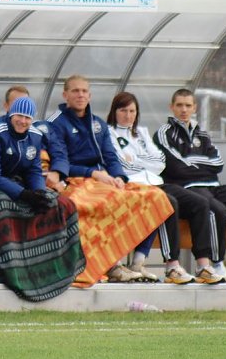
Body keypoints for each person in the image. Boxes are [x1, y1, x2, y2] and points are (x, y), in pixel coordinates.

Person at [0, 95, 84, 300]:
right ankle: (1, 269)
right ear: (11, 114)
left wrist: (38, 192)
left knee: (61, 203)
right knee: (1, 205)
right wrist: (24, 194)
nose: (23, 121)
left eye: (28, 117)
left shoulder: (35, 135)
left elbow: (33, 170)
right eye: (19, 115)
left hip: (11, 181)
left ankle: (50, 270)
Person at [46, 75, 173, 286]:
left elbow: (111, 156)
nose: (80, 95)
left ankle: (138, 263)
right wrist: (94, 173)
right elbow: (60, 162)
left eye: (84, 91)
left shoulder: (97, 123)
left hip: (104, 180)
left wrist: (120, 177)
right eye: (75, 91)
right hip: (77, 180)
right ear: (65, 94)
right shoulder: (56, 122)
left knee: (154, 196)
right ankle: (112, 265)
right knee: (106, 202)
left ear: (90, 95)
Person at [106, 91, 220, 285]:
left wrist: (138, 160)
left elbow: (160, 162)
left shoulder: (141, 132)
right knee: (169, 203)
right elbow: (123, 166)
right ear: (114, 112)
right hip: (132, 186)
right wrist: (143, 162)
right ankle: (172, 266)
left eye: (132, 111)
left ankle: (203, 265)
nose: (128, 115)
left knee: (200, 203)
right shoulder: (109, 133)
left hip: (155, 182)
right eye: (123, 110)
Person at [153, 88, 226, 281]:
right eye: (179, 105)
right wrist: (201, 162)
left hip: (214, 185)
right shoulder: (164, 133)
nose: (184, 109)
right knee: (218, 210)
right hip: (188, 188)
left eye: (188, 105)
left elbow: (218, 163)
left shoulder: (202, 134)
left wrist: (191, 160)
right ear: (172, 107)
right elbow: (176, 167)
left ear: (194, 107)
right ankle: (217, 263)